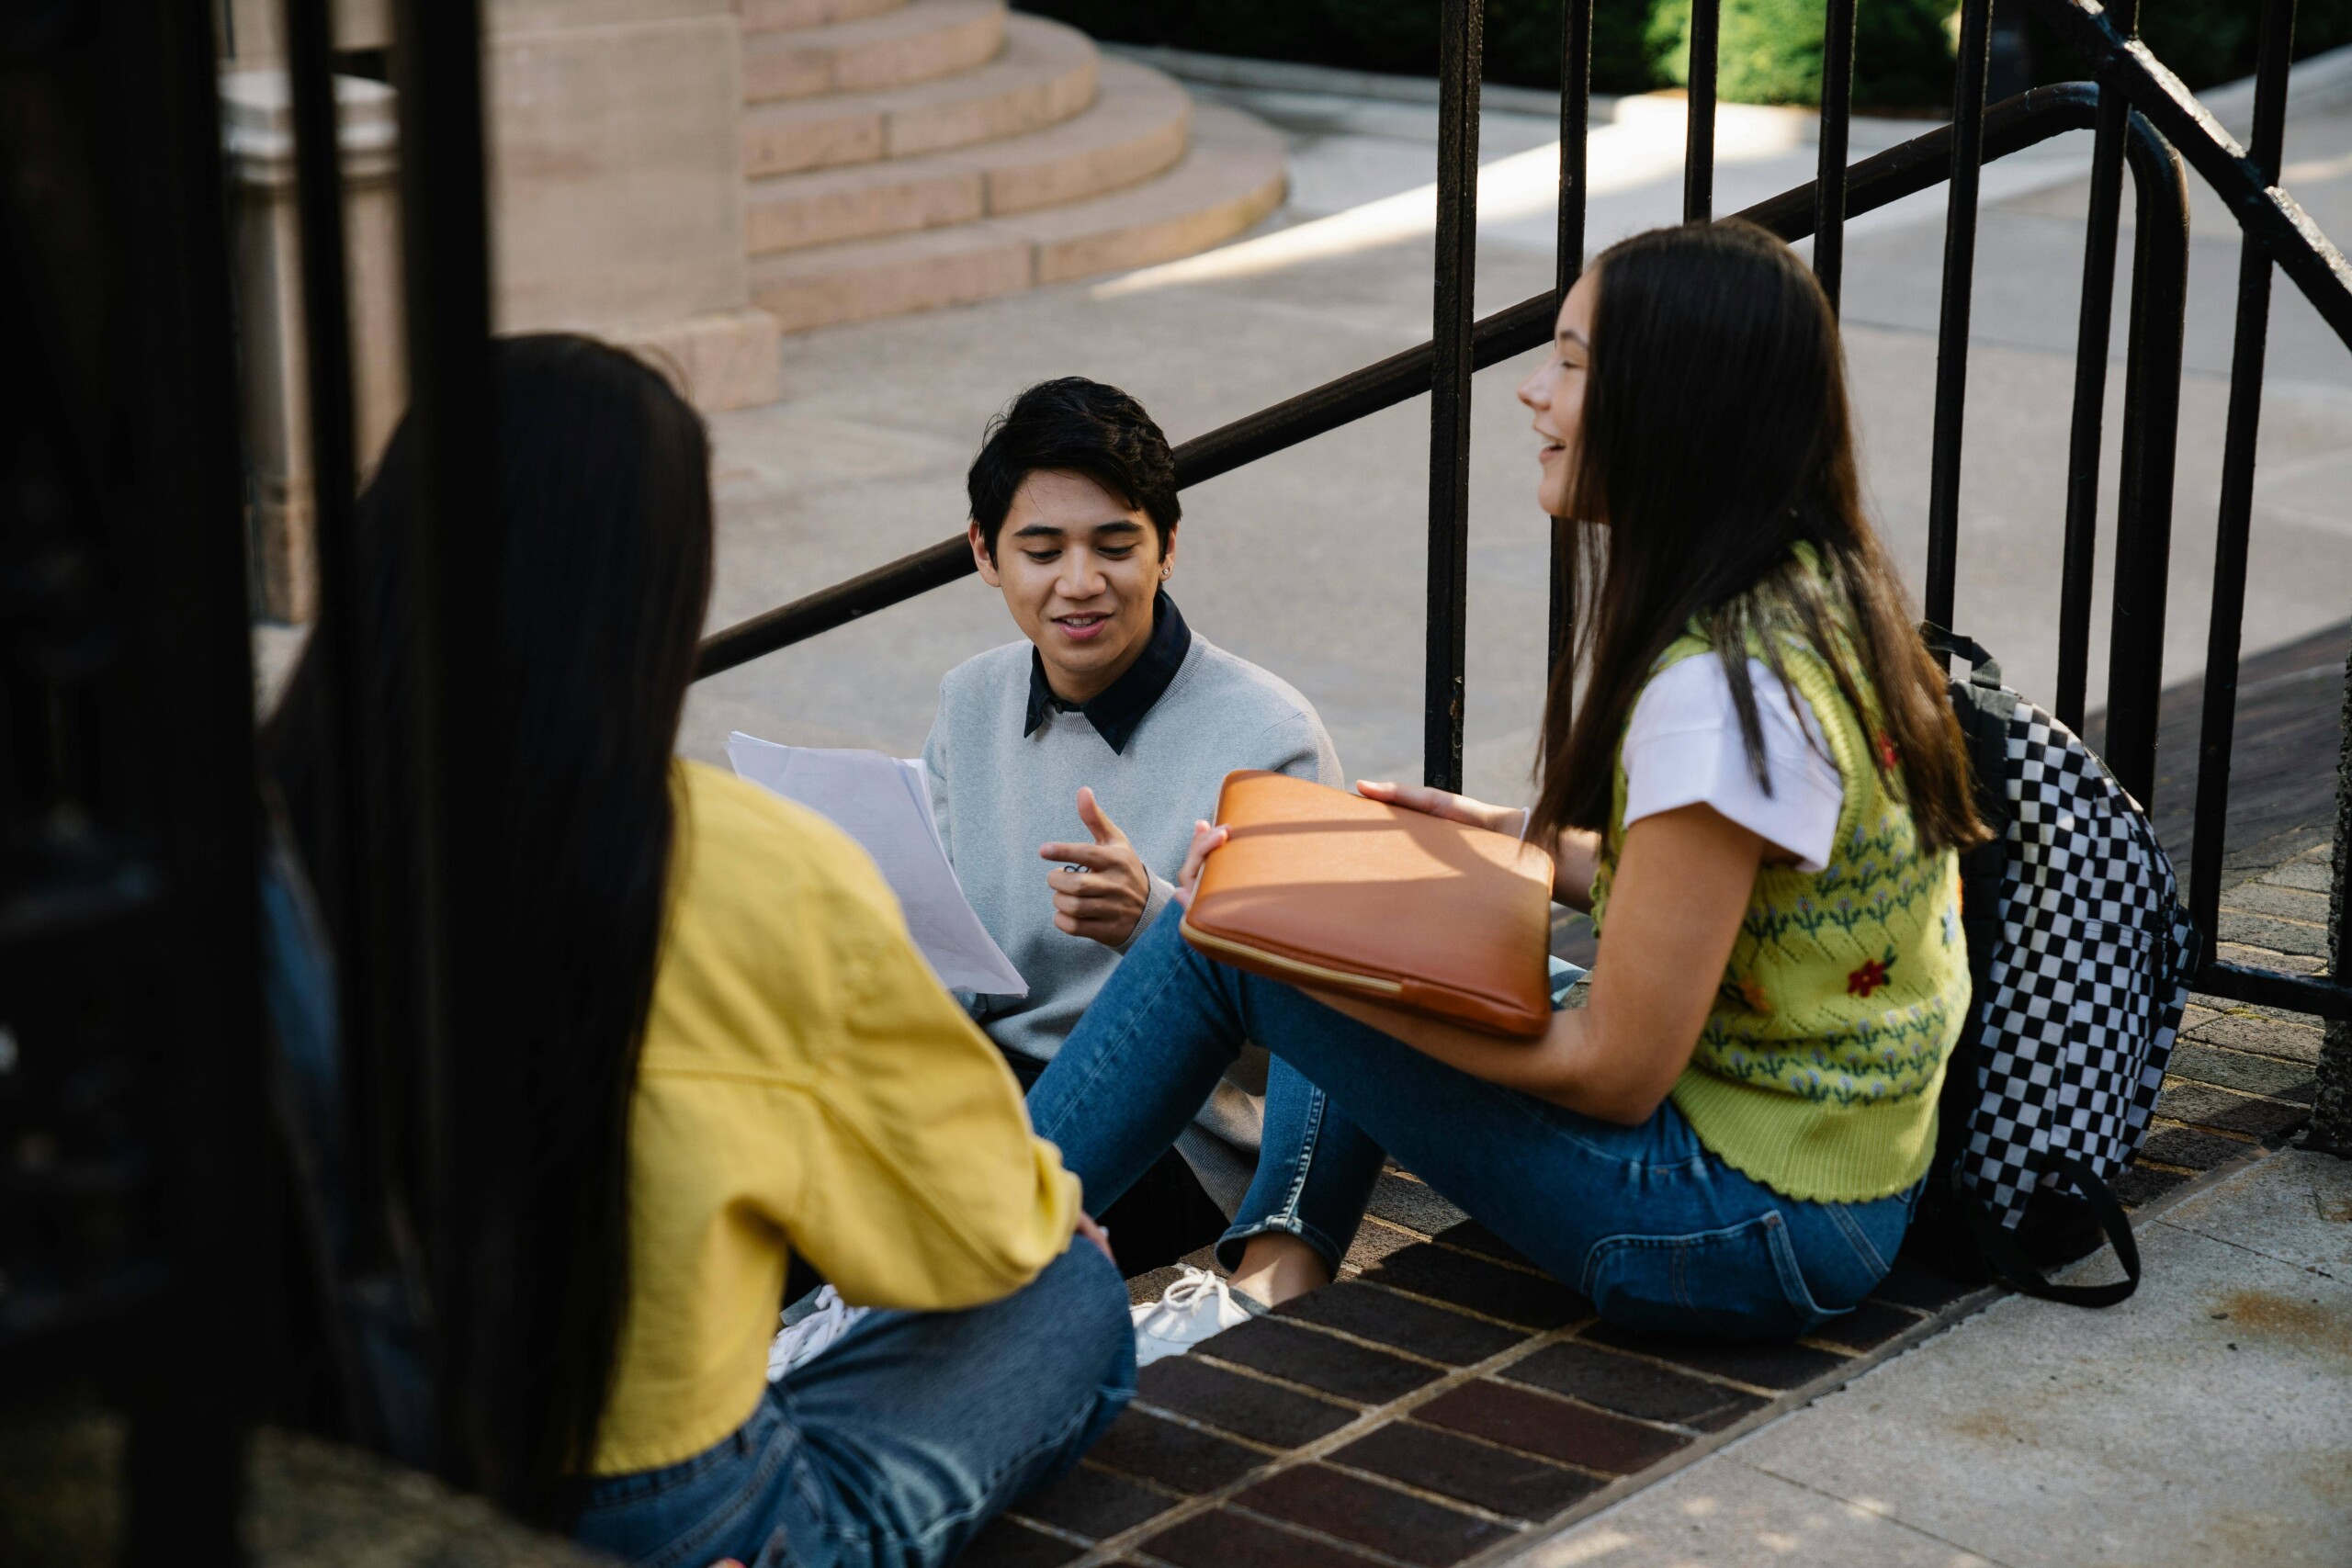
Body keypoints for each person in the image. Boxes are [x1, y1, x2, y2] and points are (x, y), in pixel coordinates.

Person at [1026, 220, 1988, 1346]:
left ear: (1670, 400)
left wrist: (1355, 986)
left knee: (1223, 938)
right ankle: (1260, 1278)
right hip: (1826, 1177)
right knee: (1321, 925)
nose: (1533, 393)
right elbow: (1733, 890)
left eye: (1573, 363)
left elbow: (1615, 1073)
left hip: (1734, 1227)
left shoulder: (1718, 694)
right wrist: (1492, 842)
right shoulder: (1815, 589)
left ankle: (916, 1294)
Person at [268, 334, 1132, 1563]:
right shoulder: (750, 864)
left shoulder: (246, 835)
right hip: (658, 1507)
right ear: (655, 591)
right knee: (1069, 1288)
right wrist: (1048, 1215)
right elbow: (981, 1229)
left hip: (328, 1462)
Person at [913, 378, 1388, 1344]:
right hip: (985, 1089)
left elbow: (1315, 1040)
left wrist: (1155, 927)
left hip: (1176, 1145)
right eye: (1040, 551)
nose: (1078, 582)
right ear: (984, 555)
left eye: (1116, 546)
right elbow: (952, 967)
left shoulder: (1266, 732)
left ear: (1167, 548)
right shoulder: (970, 701)